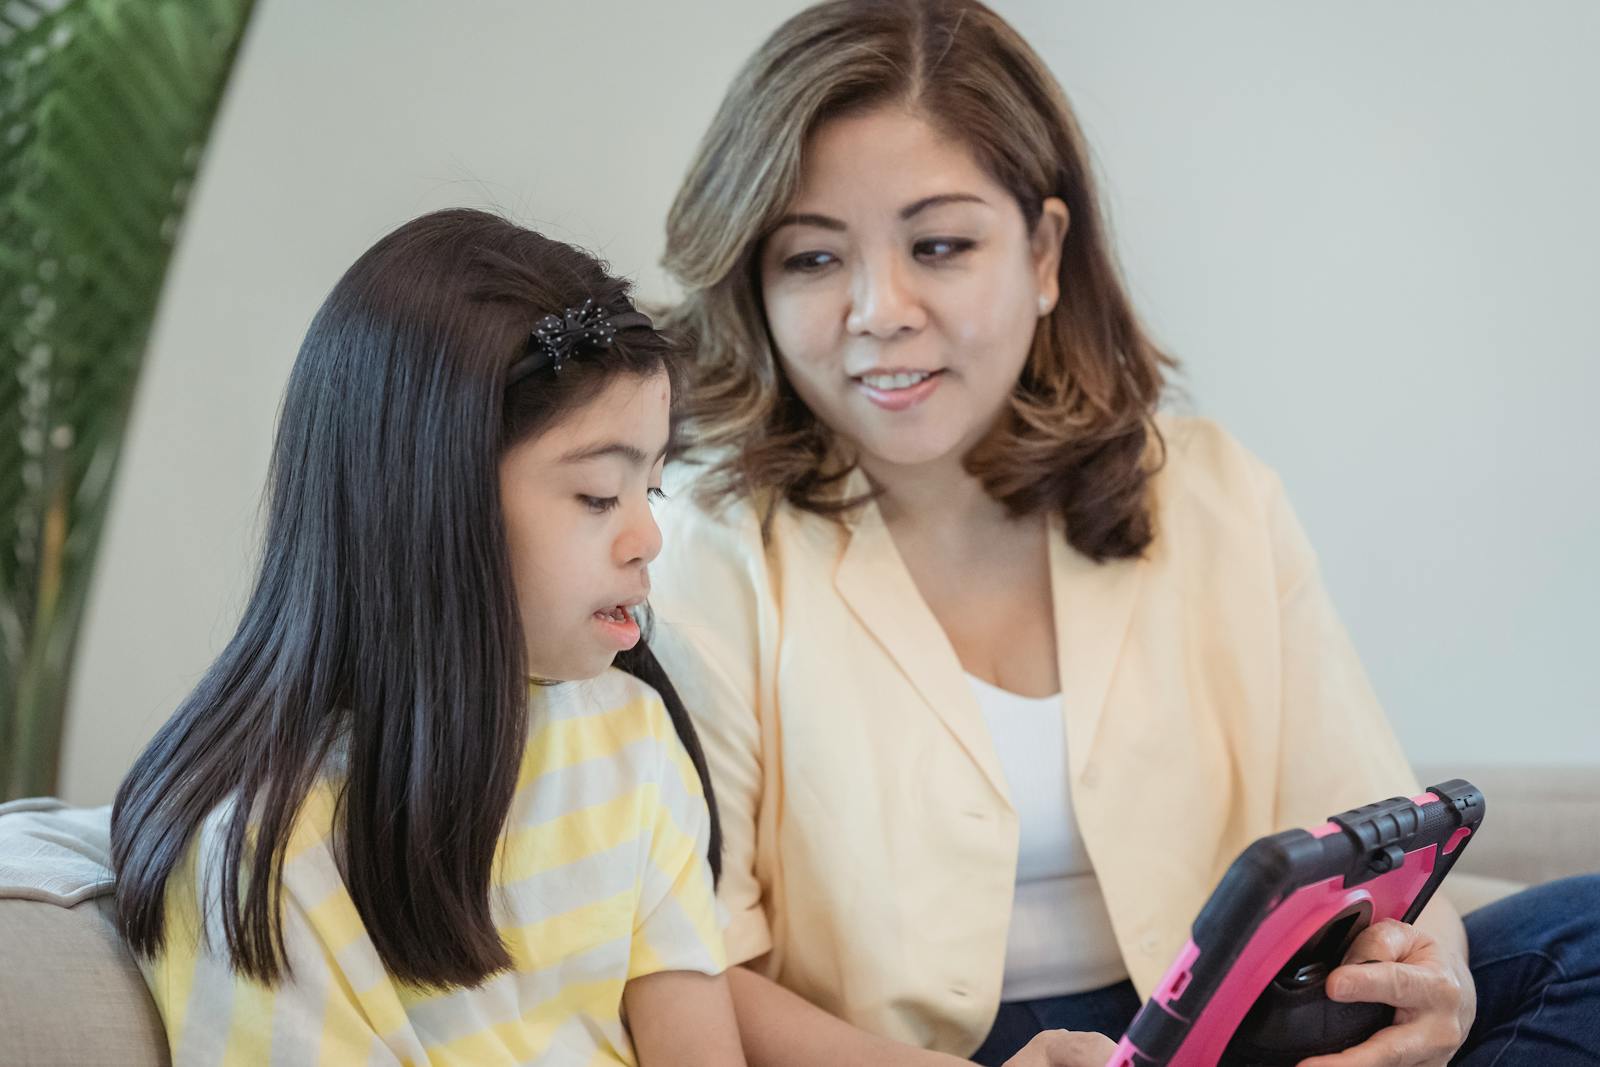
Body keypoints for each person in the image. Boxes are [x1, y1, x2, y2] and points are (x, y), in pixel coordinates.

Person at [647, 2, 1600, 1065]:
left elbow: (1373, 843)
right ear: (755, 280)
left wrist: (1432, 979)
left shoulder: (1206, 487)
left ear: (1045, 253)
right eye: (813, 259)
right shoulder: (705, 543)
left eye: (940, 244)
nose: (880, 308)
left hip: (1222, 1032)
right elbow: (691, 964)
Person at [110, 209, 747, 1067]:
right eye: (600, 495)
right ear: (430, 505)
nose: (648, 537)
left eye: (653, 489)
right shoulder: (263, 853)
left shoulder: (633, 737)